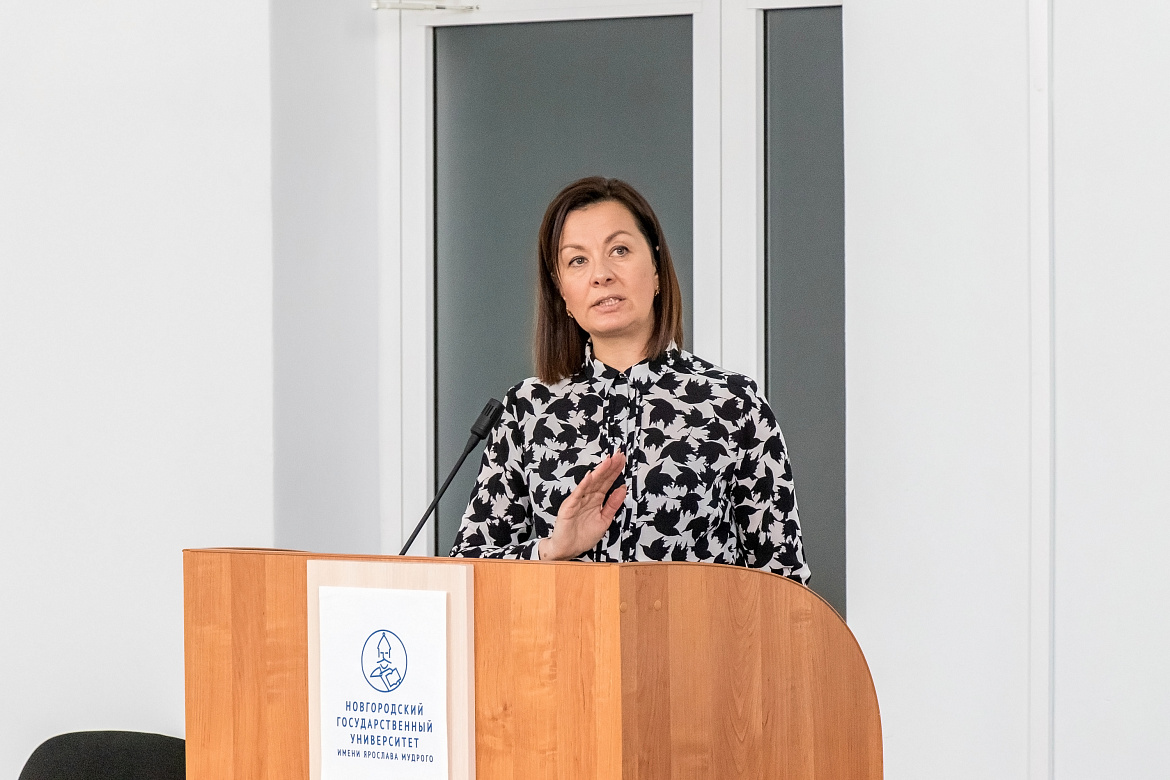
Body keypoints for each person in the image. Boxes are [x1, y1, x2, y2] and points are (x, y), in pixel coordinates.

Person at [449, 176, 809, 583]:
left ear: (656, 269)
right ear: (562, 292)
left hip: (698, 628)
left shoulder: (732, 403)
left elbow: (784, 580)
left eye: (619, 250)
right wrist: (552, 549)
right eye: (577, 261)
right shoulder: (527, 410)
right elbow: (471, 570)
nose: (601, 275)